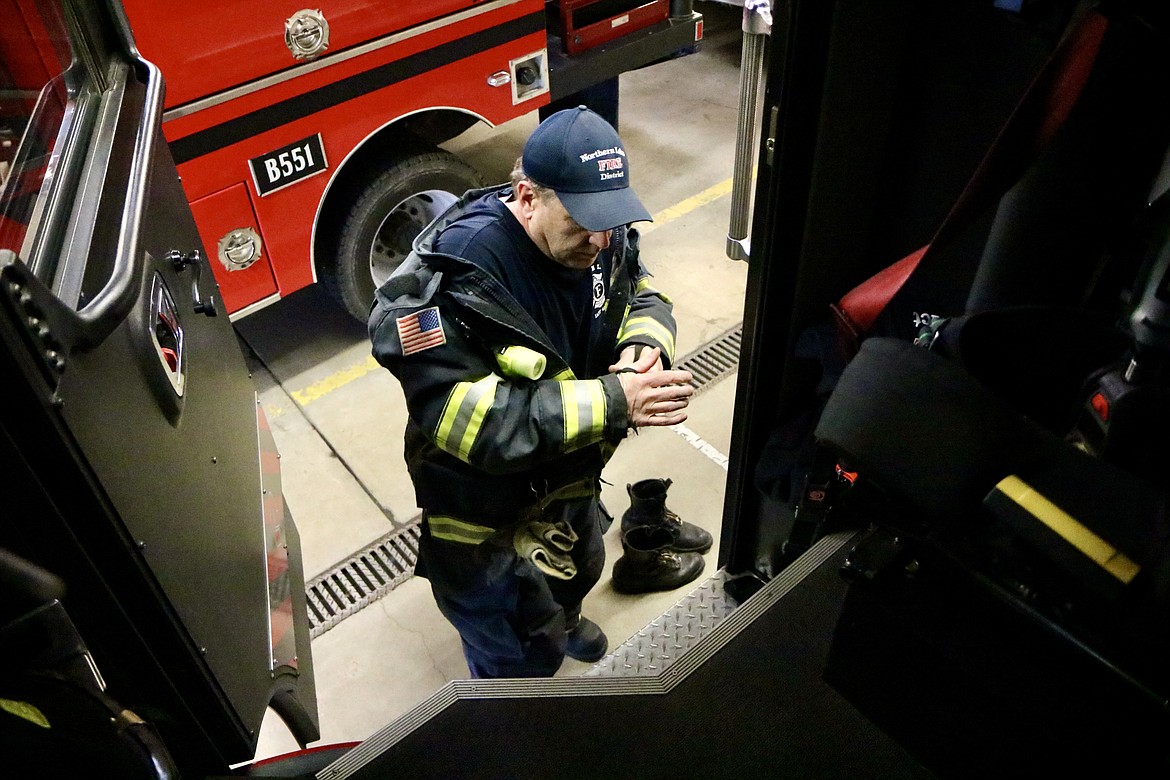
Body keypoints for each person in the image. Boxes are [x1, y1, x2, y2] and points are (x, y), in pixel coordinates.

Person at [369, 106, 704, 679]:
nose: (600, 239)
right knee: (514, 649)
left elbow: (641, 289)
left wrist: (643, 348)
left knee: (582, 560)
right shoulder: (453, 282)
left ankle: (565, 620)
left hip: (567, 480)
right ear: (528, 198)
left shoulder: (601, 233)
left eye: (611, 217)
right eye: (582, 221)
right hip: (485, 522)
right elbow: (473, 423)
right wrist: (615, 401)